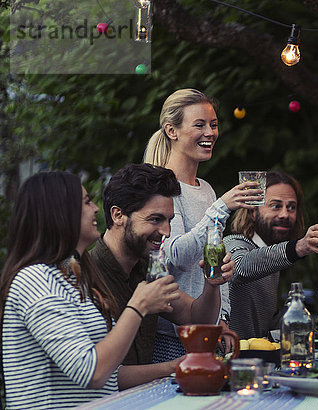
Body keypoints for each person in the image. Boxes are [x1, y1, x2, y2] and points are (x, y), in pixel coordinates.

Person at [0, 171, 179, 408]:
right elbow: (92, 373)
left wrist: (174, 368)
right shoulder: (35, 280)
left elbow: (110, 375)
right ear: (59, 212)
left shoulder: (75, 275)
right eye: (86, 202)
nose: (95, 208)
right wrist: (138, 306)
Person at [143, 89, 261, 361]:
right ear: (172, 130)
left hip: (208, 333)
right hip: (172, 339)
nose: (210, 132)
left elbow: (213, 264)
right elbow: (172, 255)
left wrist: (223, 319)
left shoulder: (205, 188)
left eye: (214, 124)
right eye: (200, 125)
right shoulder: (160, 186)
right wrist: (222, 207)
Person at [89, 163, 234, 384]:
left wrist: (212, 284)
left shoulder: (151, 268)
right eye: (155, 219)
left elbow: (197, 318)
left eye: (169, 220)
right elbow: (101, 375)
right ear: (118, 215)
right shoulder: (86, 277)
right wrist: (176, 366)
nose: (166, 232)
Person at [224, 170, 318, 339]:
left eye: (291, 207)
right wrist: (298, 247)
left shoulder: (273, 258)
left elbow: (264, 327)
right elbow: (239, 268)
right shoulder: (234, 243)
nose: (284, 214)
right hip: (229, 360)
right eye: (275, 206)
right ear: (252, 211)